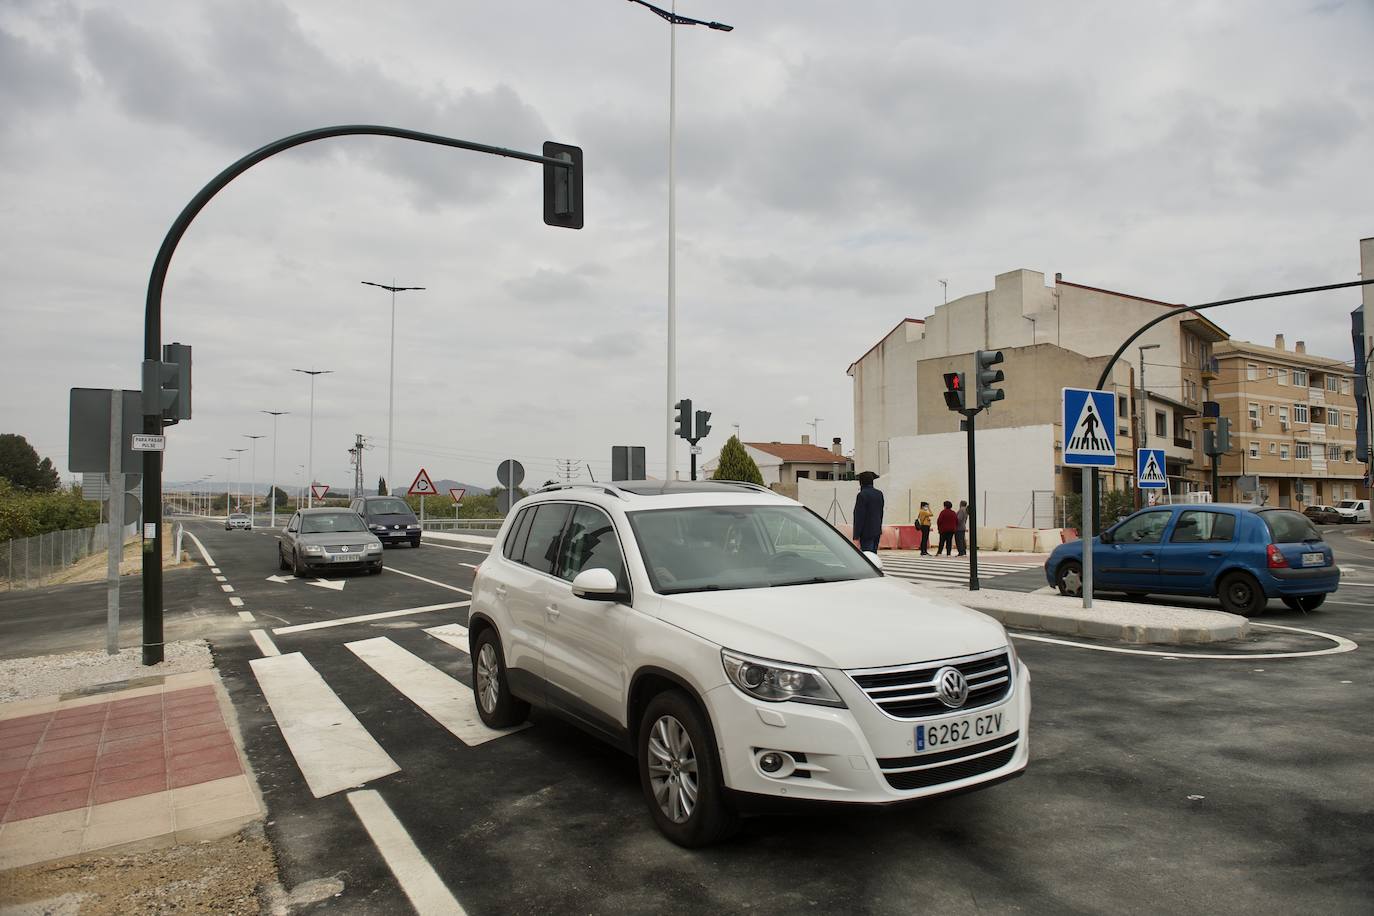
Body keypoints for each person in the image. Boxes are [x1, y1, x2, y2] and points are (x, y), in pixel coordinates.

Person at [852, 471, 884, 553]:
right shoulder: (879, 494)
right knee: (873, 555)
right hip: (877, 530)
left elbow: (859, 517)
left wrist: (856, 536)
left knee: (867, 556)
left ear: (861, 482)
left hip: (866, 533)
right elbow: (881, 513)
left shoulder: (862, 495)